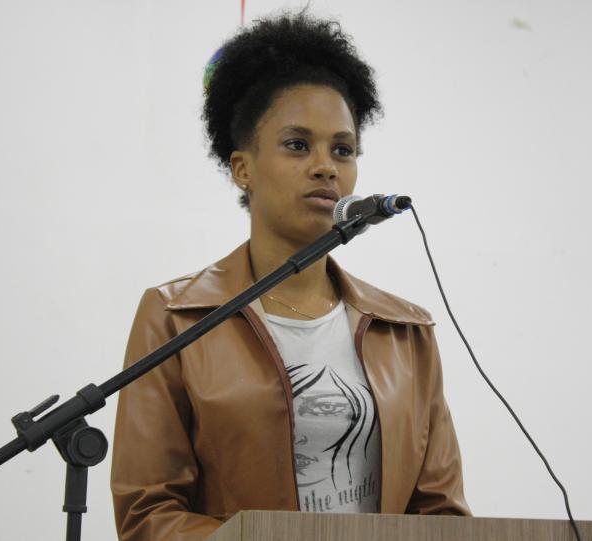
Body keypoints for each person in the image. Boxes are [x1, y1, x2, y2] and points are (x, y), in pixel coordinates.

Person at [111, 12, 470, 541]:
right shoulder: (176, 317)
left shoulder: (406, 331)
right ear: (243, 168)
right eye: (298, 145)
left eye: (342, 149)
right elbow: (148, 514)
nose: (326, 166)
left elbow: (441, 513)